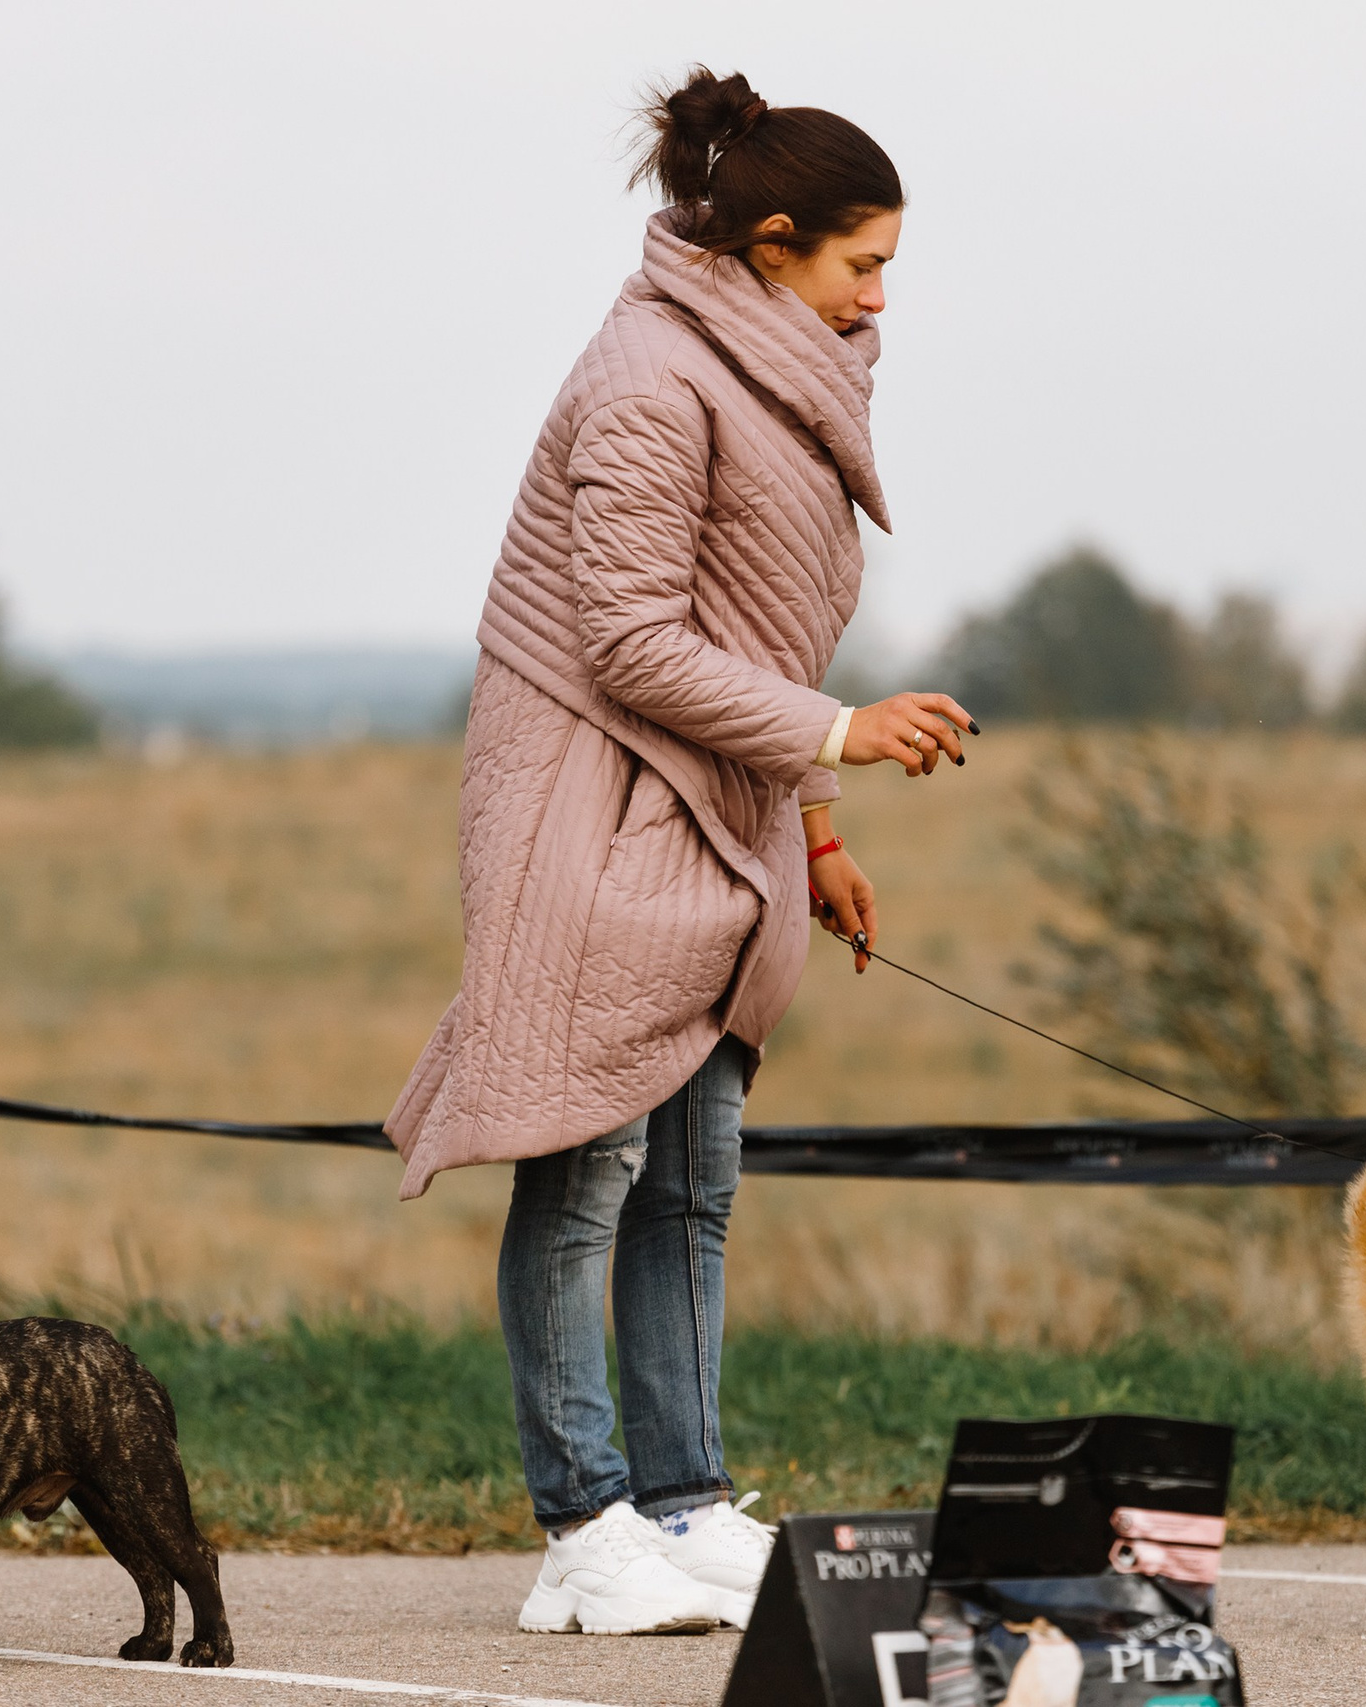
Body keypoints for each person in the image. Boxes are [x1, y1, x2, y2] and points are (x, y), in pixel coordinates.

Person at [382, 68, 974, 1635]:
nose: (883, 293)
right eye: (865, 262)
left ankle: (686, 1499)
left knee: (695, 1179)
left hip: (731, 808)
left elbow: (754, 621)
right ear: (774, 245)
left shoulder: (779, 364)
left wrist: (819, 826)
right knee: (587, 1168)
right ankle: (581, 1526)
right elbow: (636, 640)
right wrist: (841, 735)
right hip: (595, 801)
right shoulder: (653, 379)